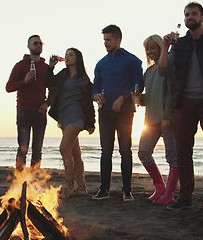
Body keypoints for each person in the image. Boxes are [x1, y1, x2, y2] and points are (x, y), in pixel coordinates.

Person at [159, 2, 203, 214]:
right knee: (183, 153)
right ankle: (185, 198)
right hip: (184, 104)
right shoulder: (178, 45)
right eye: (187, 14)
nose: (191, 17)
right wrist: (165, 47)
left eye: (194, 14)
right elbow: (163, 69)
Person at [91, 25, 144, 201]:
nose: (105, 43)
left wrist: (123, 97)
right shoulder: (100, 64)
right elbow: (95, 86)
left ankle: (127, 190)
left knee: (125, 150)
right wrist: (96, 94)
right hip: (104, 112)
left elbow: (139, 85)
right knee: (105, 150)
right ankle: (104, 189)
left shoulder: (133, 61)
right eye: (104, 40)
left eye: (108, 40)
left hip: (125, 112)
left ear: (118, 40)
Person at [44, 48, 95, 197]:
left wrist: (91, 122)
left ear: (78, 58)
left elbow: (88, 103)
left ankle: (69, 187)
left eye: (71, 55)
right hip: (64, 117)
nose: (67, 57)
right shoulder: (63, 75)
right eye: (66, 55)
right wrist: (51, 66)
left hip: (77, 117)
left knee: (64, 149)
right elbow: (47, 82)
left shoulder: (83, 79)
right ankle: (82, 187)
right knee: (76, 154)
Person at [138, 35, 178, 205]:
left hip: (166, 119)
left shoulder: (167, 67)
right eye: (148, 49)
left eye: (153, 48)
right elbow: (150, 96)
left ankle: (169, 194)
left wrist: (168, 116)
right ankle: (160, 186)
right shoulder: (147, 72)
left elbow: (171, 92)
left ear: (161, 48)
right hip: (150, 120)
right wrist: (139, 98)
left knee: (173, 157)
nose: (150, 51)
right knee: (143, 153)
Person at [6, 35, 51, 170]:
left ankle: (34, 180)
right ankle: (20, 179)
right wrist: (23, 81)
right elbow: (9, 87)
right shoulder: (20, 66)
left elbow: (54, 89)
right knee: (23, 147)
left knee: (37, 149)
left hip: (40, 111)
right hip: (24, 110)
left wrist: (47, 103)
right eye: (35, 43)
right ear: (29, 46)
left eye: (40, 43)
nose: (38, 45)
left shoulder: (45, 67)